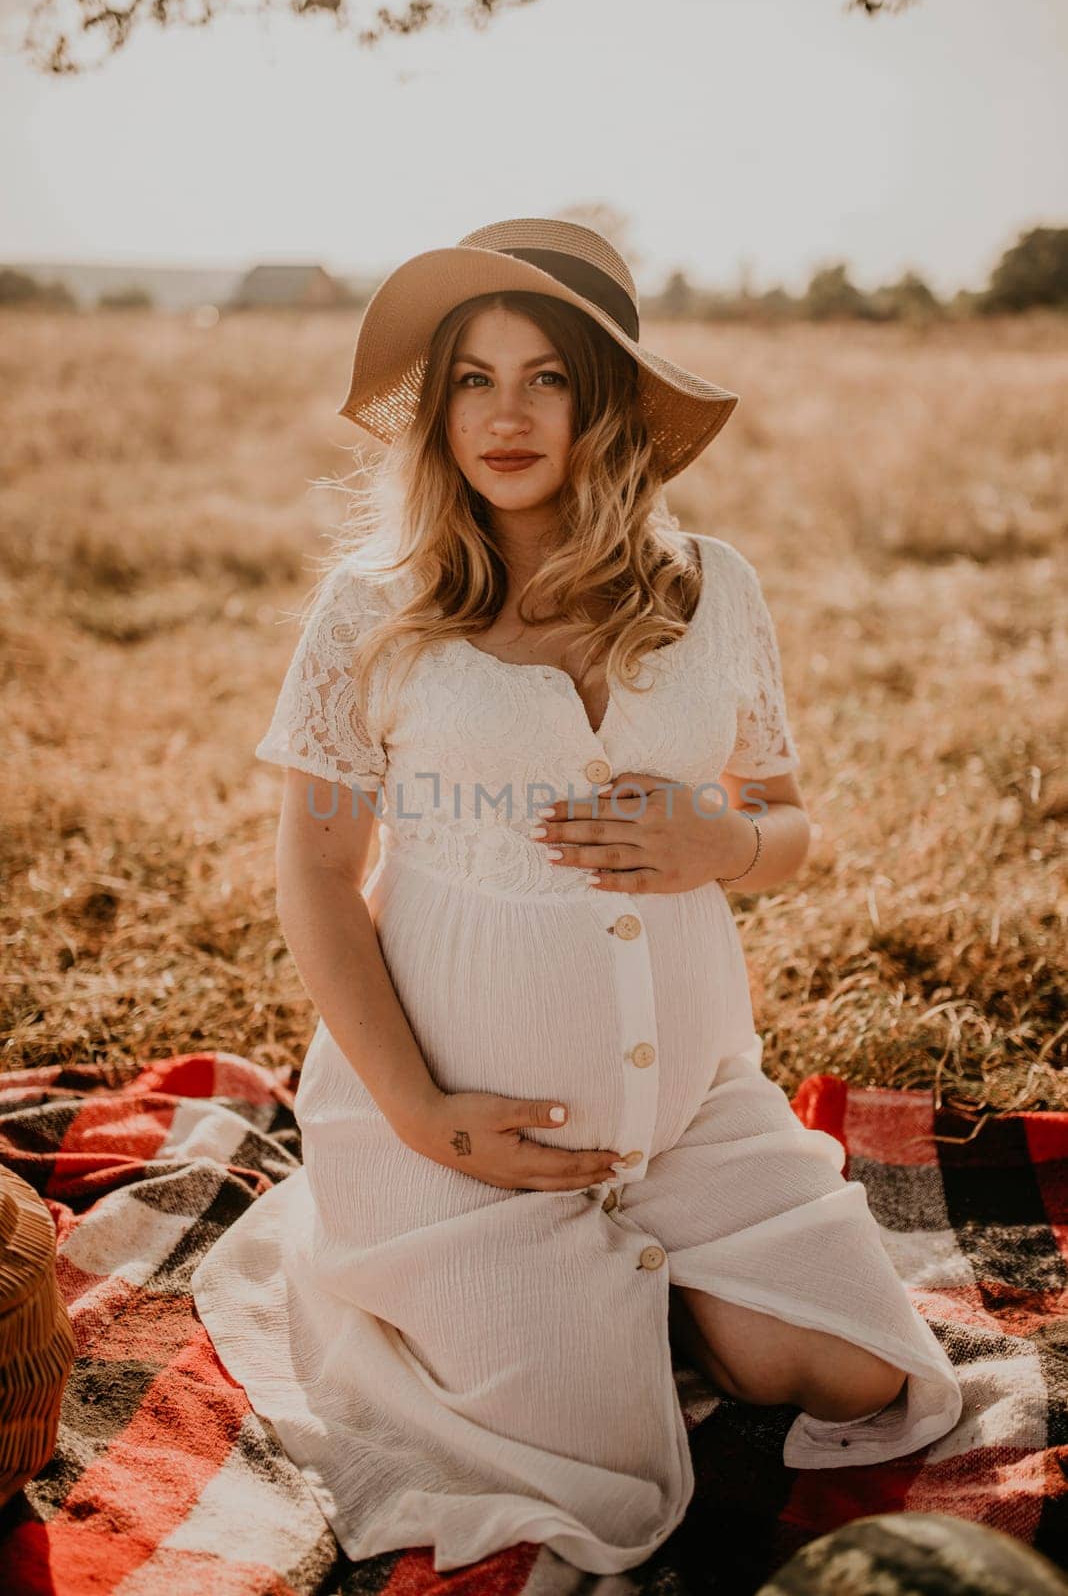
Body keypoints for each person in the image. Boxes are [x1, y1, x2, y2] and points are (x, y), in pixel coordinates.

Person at [190, 216, 963, 1577]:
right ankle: (527, 1287)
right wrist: (424, 1113)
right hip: (458, 1140)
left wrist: (720, 838)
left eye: (545, 375)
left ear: (606, 400)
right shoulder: (375, 610)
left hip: (691, 1113)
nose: (504, 413)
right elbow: (315, 873)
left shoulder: (715, 589)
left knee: (857, 1378)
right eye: (472, 380)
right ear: (436, 414)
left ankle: (662, 1276)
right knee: (588, 1466)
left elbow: (790, 824)